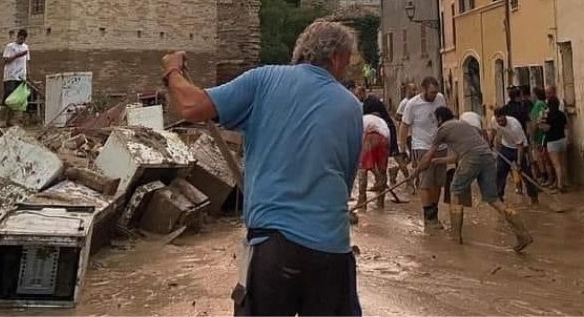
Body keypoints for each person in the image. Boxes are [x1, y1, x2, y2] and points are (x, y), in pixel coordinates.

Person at [160, 20, 362, 316]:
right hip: (330, 250)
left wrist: (172, 71)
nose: (346, 71)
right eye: (346, 62)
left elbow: (191, 106)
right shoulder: (351, 106)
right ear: (334, 58)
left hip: (272, 247)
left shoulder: (263, 80)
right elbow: (346, 181)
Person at [418, 107, 533, 251]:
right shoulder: (463, 125)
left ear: (440, 119)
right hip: (488, 157)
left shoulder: (443, 129)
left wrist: (417, 170)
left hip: (472, 158)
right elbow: (457, 156)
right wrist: (438, 161)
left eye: (436, 120)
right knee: (494, 199)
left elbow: (428, 155)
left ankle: (456, 237)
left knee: (455, 190)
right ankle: (523, 234)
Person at [398, 77, 448, 231]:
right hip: (422, 146)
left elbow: (446, 119)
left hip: (441, 146)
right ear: (423, 89)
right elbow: (404, 126)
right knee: (426, 182)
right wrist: (402, 149)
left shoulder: (440, 98)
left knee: (438, 182)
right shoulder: (412, 104)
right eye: (431, 92)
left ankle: (434, 212)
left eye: (436, 92)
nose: (434, 95)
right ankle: (429, 217)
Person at [493, 106, 537, 204]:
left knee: (526, 173)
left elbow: (520, 146)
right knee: (500, 171)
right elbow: (497, 134)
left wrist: (519, 163)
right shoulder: (495, 121)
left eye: (502, 121)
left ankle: (533, 196)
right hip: (506, 147)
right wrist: (496, 147)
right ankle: (498, 196)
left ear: (505, 116)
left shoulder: (514, 126)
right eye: (498, 121)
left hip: (519, 148)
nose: (500, 123)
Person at [358, 97, 392, 210]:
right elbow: (388, 139)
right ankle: (380, 202)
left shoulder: (363, 118)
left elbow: (357, 137)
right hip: (384, 140)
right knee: (382, 170)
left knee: (363, 170)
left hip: (369, 138)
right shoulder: (383, 122)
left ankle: (362, 201)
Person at [541, 86, 569, 191]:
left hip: (552, 141)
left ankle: (560, 185)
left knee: (557, 165)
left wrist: (540, 124)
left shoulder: (548, 115)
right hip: (562, 139)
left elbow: (546, 128)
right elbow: (566, 126)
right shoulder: (562, 114)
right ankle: (565, 183)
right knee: (563, 164)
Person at [1, 29, 30, 125]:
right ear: (18, 37)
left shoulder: (26, 47)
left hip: (21, 76)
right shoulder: (10, 46)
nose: (22, 40)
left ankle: (12, 120)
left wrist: (28, 74)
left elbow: (27, 61)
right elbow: (6, 60)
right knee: (8, 97)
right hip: (11, 76)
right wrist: (17, 55)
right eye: (21, 38)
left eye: (24, 39)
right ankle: (3, 119)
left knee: (17, 99)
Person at [393, 82, 418, 186]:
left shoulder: (416, 102)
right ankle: (413, 180)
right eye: (413, 90)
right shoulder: (404, 103)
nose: (415, 92)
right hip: (408, 134)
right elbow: (396, 116)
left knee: (413, 157)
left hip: (415, 133)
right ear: (408, 91)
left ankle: (395, 169)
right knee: (414, 158)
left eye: (416, 89)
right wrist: (407, 117)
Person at [529, 86, 553, 185]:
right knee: (544, 157)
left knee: (540, 157)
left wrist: (532, 135)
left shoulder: (538, 105)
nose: (531, 96)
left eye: (532, 94)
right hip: (543, 134)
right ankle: (547, 177)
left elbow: (535, 121)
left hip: (538, 135)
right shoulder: (544, 104)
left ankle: (544, 176)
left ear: (535, 95)